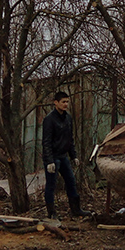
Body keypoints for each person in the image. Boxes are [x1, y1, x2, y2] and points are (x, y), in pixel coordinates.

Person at [42, 91, 92, 219]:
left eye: (67, 102)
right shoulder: (49, 119)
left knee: (71, 181)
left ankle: (76, 209)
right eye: (63, 102)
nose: (66, 104)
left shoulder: (68, 118)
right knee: (51, 185)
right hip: (53, 157)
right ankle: (51, 213)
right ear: (56, 103)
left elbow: (70, 139)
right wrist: (49, 161)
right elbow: (46, 141)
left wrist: (73, 156)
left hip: (63, 156)